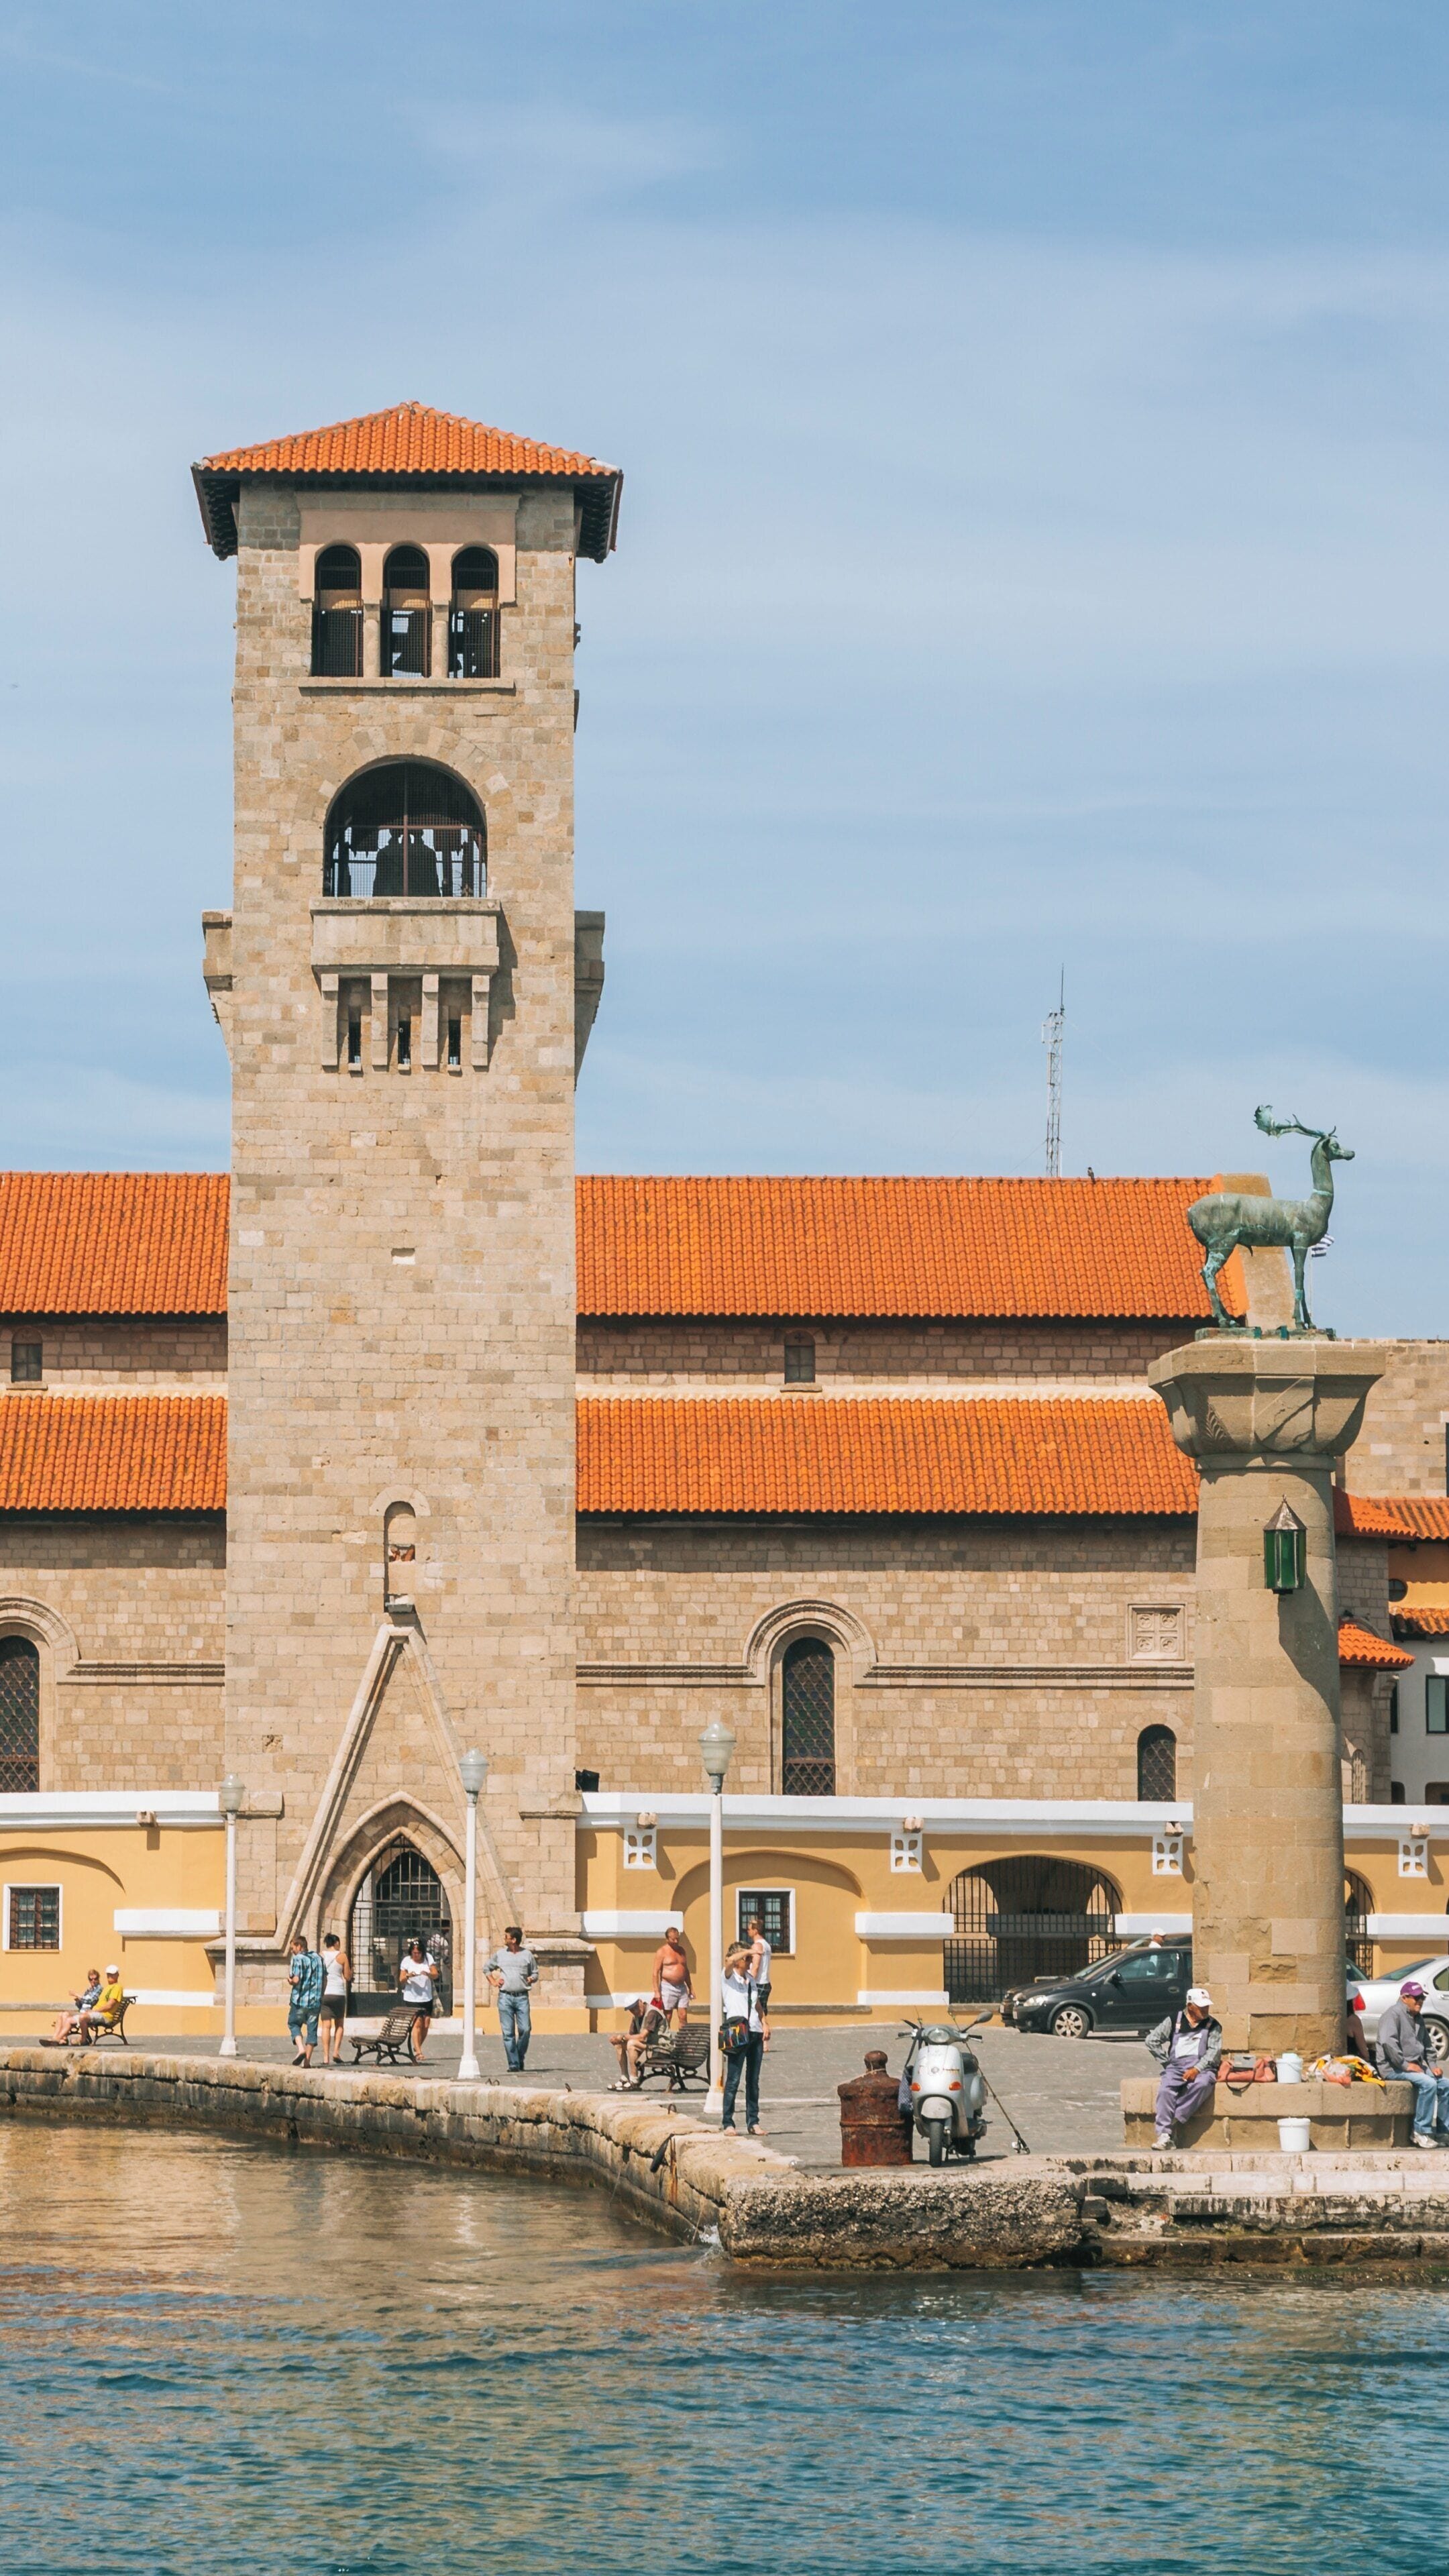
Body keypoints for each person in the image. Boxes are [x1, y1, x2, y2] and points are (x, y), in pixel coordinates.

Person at [1374, 1980, 1449, 2147]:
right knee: (1429, 2084)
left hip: (1416, 2066)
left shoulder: (1418, 2018)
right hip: (1394, 2068)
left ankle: (1443, 2132)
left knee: (1445, 2085)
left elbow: (1428, 2046)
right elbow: (1388, 2043)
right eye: (1416, 1998)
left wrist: (1433, 2065)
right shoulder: (1392, 2015)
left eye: (1422, 1998)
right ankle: (1420, 2131)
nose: (1420, 2001)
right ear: (1404, 1998)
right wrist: (1406, 2066)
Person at [1146, 1985, 1222, 2148]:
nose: (1205, 2010)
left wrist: (1197, 2069)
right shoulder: (1174, 2020)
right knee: (1166, 2090)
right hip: (1176, 2066)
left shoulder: (1213, 2026)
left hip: (1202, 2067)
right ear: (1190, 2006)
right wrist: (1166, 2063)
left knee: (1202, 2084)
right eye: (1201, 2007)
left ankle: (1175, 2118)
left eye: (1207, 2006)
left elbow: (1213, 2052)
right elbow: (1152, 2040)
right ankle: (1164, 2135)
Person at [719, 1941, 769, 2136]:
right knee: (733, 2079)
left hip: (754, 2031)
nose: (750, 1962)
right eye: (747, 1959)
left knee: (753, 2080)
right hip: (737, 2031)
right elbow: (729, 1961)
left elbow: (756, 2004)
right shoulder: (728, 1978)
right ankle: (728, 2122)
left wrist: (765, 2022)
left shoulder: (750, 1980)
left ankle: (753, 2121)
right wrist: (749, 1951)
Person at [486, 1925, 539, 2071]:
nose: (504, 1939)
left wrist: (532, 1978)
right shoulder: (500, 1954)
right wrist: (494, 1981)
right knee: (508, 2033)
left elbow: (535, 1973)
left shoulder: (527, 1955)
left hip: (522, 1997)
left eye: (506, 1937)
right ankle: (514, 2063)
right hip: (505, 1997)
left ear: (514, 1940)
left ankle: (518, 2056)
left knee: (526, 2029)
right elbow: (487, 1968)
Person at [610, 1994, 668, 2090]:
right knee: (619, 2045)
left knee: (632, 2044)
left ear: (641, 2002)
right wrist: (618, 2039)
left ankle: (634, 2080)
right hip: (649, 2048)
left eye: (636, 2007)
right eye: (632, 2009)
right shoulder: (636, 2017)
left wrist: (624, 2037)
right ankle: (624, 2078)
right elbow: (631, 2035)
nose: (635, 2011)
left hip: (661, 2048)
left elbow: (642, 2037)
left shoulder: (652, 2013)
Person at [398, 1937, 439, 2061]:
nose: (416, 1955)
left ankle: (417, 2046)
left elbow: (435, 1974)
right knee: (417, 2023)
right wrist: (408, 1976)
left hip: (426, 1996)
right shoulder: (407, 1961)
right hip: (412, 1996)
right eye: (414, 1953)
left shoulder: (428, 1959)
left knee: (426, 2024)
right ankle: (419, 2052)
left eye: (419, 1953)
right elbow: (401, 1979)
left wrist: (428, 1974)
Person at [288, 1931, 325, 2066]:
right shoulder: (319, 1958)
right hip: (315, 2002)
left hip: (300, 2001)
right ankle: (307, 2062)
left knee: (293, 2024)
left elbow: (296, 1979)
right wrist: (321, 1995)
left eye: (293, 1948)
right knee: (312, 2030)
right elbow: (325, 1979)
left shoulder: (298, 1959)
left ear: (299, 1946)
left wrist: (290, 1981)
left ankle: (301, 2049)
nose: (292, 1951)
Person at [318, 1932, 351, 2065]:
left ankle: (325, 2057)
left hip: (325, 1993)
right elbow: (347, 1976)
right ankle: (336, 2052)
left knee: (326, 2026)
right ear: (336, 1943)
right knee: (339, 2024)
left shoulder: (321, 1956)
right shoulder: (342, 1956)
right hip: (338, 1993)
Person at [651, 1926, 693, 2026]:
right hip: (668, 1987)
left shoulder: (682, 1951)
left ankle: (683, 2040)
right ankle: (666, 2039)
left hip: (682, 1987)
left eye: (677, 1938)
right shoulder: (662, 1952)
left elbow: (685, 1970)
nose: (676, 1941)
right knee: (668, 2016)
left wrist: (691, 1987)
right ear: (667, 1939)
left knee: (683, 2015)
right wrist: (657, 1992)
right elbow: (655, 1972)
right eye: (673, 1939)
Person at [48, 1970, 101, 2045]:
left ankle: (58, 2039)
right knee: (62, 2014)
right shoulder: (89, 1990)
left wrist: (76, 1994)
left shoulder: (99, 1989)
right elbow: (83, 2003)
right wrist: (78, 2001)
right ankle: (60, 2038)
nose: (93, 1981)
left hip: (88, 2014)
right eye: (91, 1979)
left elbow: (91, 2001)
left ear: (98, 1979)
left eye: (95, 1979)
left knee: (66, 2016)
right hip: (82, 2011)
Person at [76, 1965, 126, 2045]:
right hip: (97, 2013)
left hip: (105, 2016)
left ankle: (83, 2040)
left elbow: (110, 2005)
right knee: (65, 2016)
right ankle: (59, 2039)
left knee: (83, 2017)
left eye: (113, 1974)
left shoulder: (117, 1987)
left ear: (117, 1975)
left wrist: (94, 2011)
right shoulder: (108, 1987)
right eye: (109, 1974)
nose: (110, 1976)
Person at [744, 1915, 773, 2021]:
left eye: (749, 1929)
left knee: (755, 2014)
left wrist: (748, 1982)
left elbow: (755, 1966)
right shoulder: (766, 1945)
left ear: (755, 1931)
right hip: (765, 1982)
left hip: (758, 1983)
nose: (748, 1931)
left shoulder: (757, 1946)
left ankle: (758, 2035)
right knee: (762, 2013)